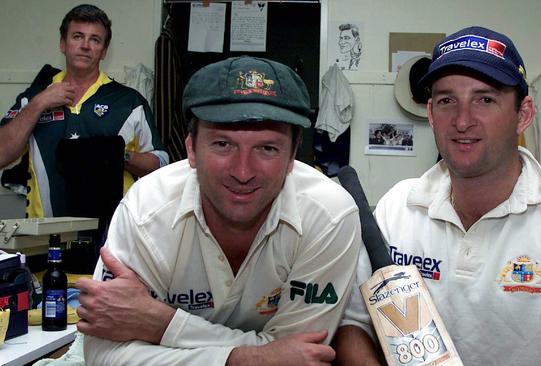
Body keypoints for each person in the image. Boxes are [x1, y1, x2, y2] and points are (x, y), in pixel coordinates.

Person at [332, 26, 541, 365]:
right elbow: (354, 326)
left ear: (523, 114)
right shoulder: (398, 206)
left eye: (485, 99)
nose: (463, 120)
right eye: (447, 101)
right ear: (431, 114)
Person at [74, 56, 362, 365]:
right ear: (191, 150)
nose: (242, 171)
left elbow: (302, 355)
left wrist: (162, 324)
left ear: (292, 157)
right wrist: (245, 360)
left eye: (267, 148)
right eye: (223, 144)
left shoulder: (330, 215)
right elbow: (104, 355)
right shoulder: (146, 210)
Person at [0, 4, 168, 224]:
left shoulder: (128, 102)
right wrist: (39, 103)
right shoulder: (34, 97)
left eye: (95, 40)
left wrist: (117, 155)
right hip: (44, 240)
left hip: (112, 241)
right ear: (63, 43)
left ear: (104, 51)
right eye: (78, 36)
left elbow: (162, 165)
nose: (85, 46)